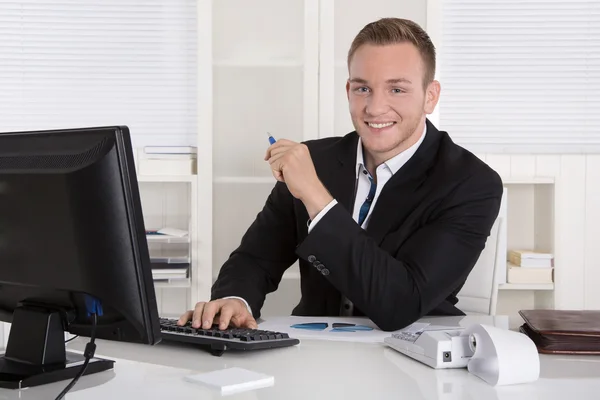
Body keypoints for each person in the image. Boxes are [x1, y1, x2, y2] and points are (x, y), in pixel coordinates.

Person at [178, 17, 503, 332]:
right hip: (317, 352)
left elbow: (400, 303)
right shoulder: (314, 160)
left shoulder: (471, 183)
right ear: (348, 90)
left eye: (397, 90)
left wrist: (315, 195)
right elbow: (255, 258)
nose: (375, 108)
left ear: (430, 96)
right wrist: (237, 300)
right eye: (363, 88)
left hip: (415, 354)